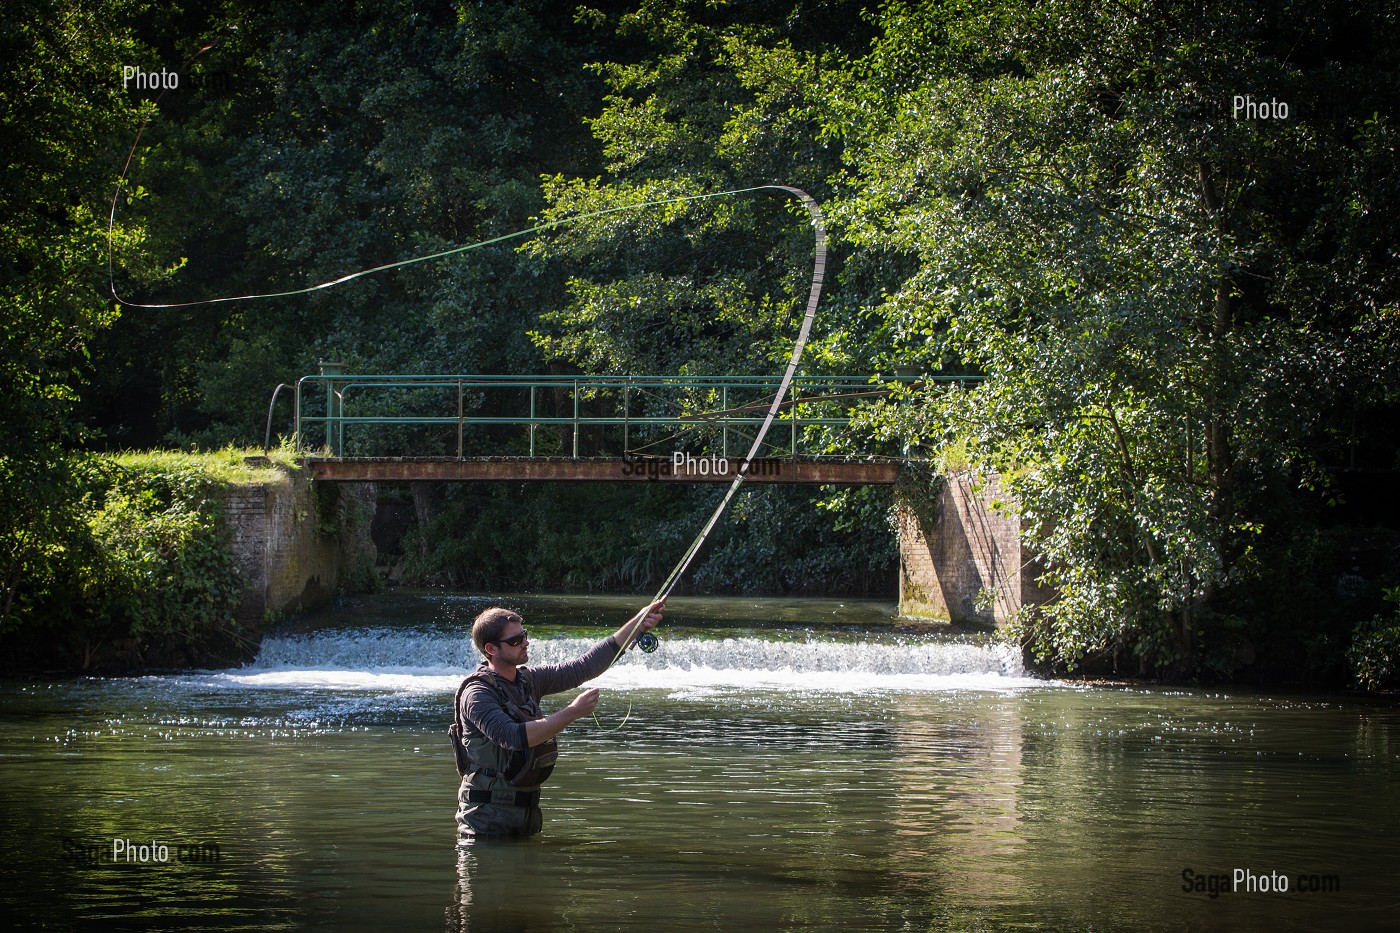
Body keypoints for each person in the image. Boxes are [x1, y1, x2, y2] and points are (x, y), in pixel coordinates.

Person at [452, 600, 664, 839]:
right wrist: (572, 712)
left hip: (525, 818)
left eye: (524, 635)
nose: (525, 643)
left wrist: (637, 624)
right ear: (491, 649)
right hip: (483, 823)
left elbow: (584, 667)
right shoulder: (477, 694)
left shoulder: (528, 681)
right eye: (515, 641)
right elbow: (512, 736)